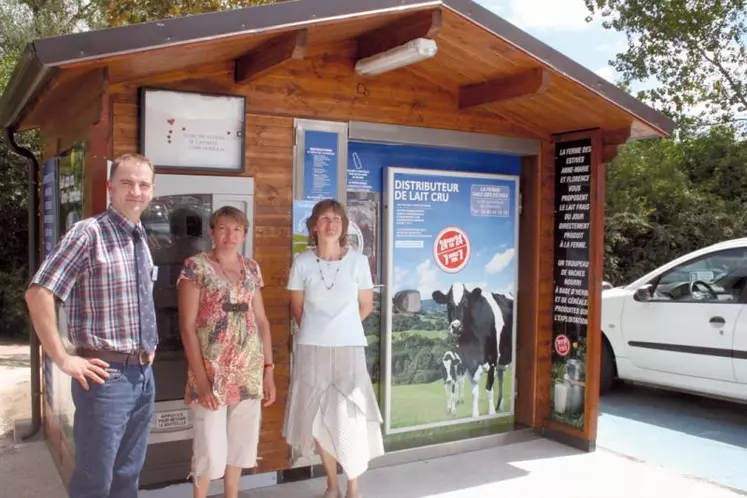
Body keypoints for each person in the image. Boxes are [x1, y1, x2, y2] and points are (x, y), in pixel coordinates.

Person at [25, 153, 158, 498]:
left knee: (127, 477)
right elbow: (39, 293)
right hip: (106, 378)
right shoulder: (90, 233)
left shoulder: (141, 238)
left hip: (143, 376)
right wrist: (63, 358)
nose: (136, 191)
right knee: (94, 482)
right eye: (127, 183)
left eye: (143, 184)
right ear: (109, 187)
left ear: (152, 191)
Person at [284, 199, 383, 498]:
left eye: (336, 218)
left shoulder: (358, 262)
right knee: (316, 417)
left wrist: (341, 328)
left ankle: (353, 487)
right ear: (314, 225)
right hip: (312, 350)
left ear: (343, 226)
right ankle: (332, 484)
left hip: (349, 349)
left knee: (350, 416)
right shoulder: (302, 262)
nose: (330, 223)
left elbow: (365, 306)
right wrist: (320, 330)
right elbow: (297, 308)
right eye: (324, 218)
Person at [177, 206, 276, 498]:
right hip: (211, 371)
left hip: (249, 371)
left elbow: (262, 322)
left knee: (242, 444)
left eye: (236, 229)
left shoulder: (252, 268)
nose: (229, 235)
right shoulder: (196, 267)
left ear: (244, 234)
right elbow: (187, 327)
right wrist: (202, 381)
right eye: (223, 228)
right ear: (212, 232)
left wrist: (268, 371)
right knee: (209, 447)